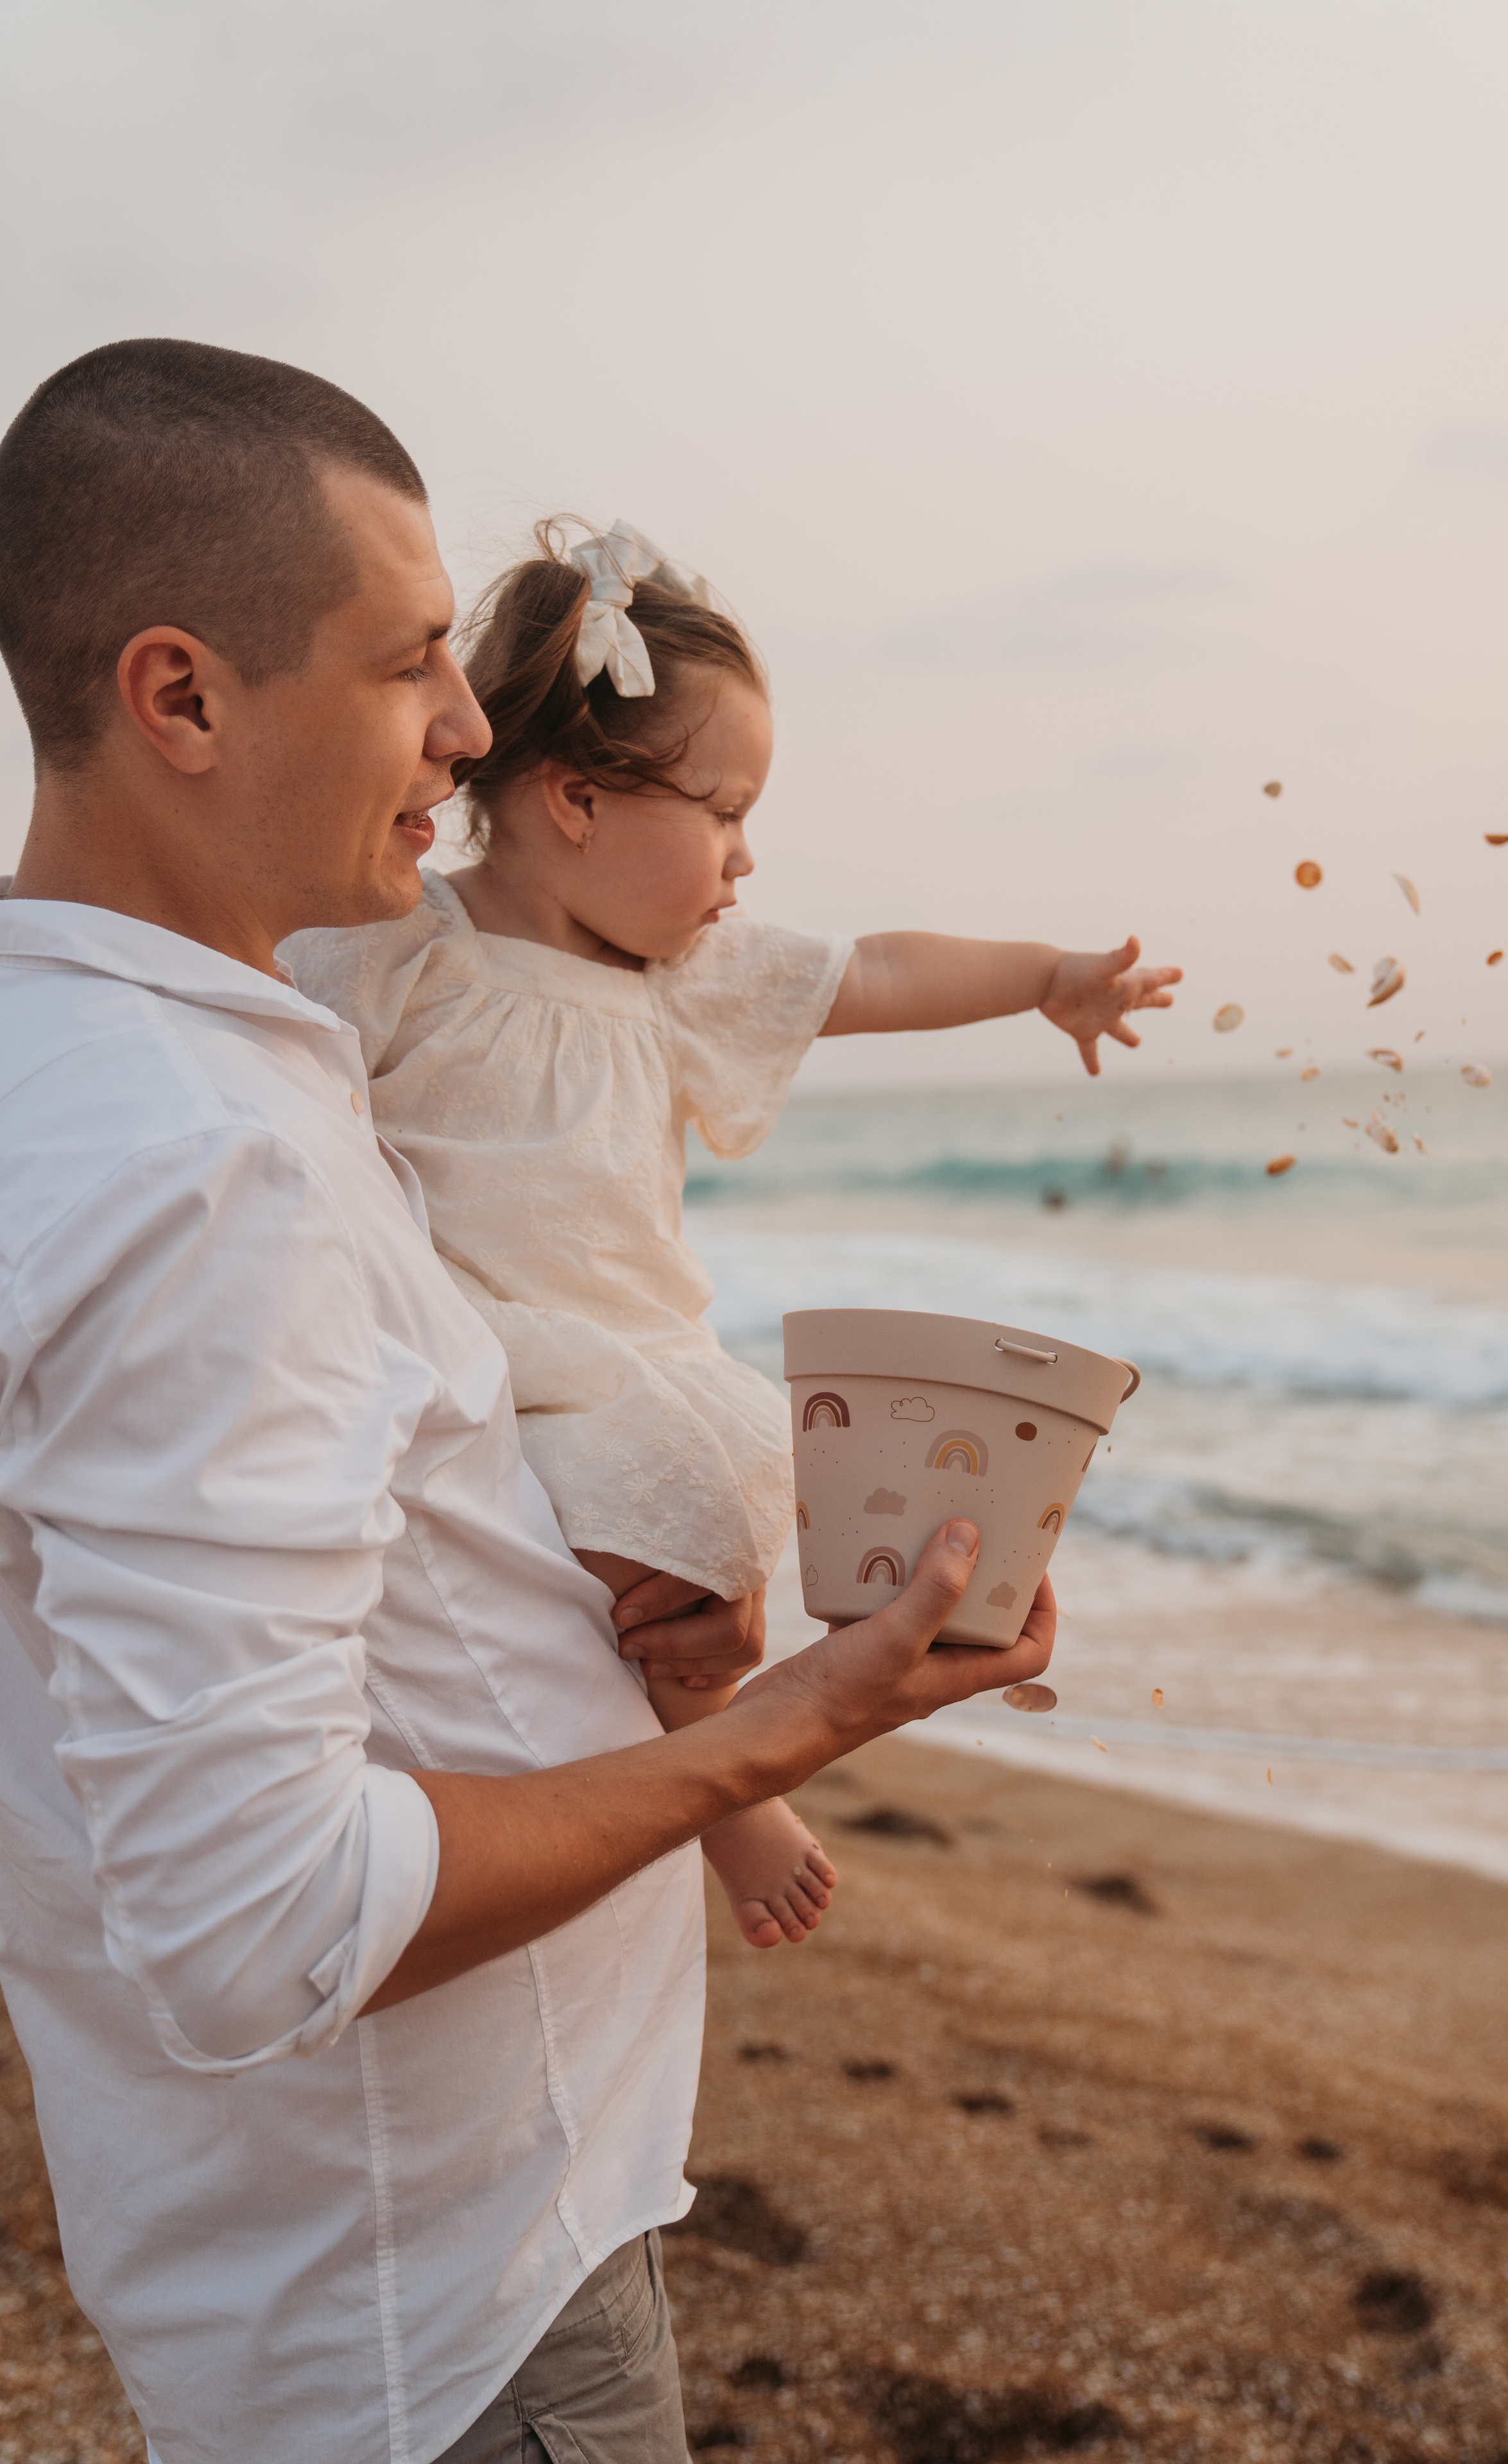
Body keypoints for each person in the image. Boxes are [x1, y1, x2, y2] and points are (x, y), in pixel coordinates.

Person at [0, 339, 1055, 2464]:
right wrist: (775, 1735)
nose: (477, 727)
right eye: (412, 669)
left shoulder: (114, 1070)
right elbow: (262, 1928)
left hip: (317, 2247)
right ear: (183, 698)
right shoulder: (205, 1154)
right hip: (441, 2298)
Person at [285, 520, 1180, 1949]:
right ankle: (730, 1794)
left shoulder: (685, 976)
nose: (745, 861)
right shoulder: (408, 949)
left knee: (723, 1499)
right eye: (723, 813)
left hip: (635, 1348)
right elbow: (250, 1025)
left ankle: (778, 1716)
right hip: (482, 1341)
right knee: (649, 1523)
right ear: (573, 800)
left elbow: (874, 970)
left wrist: (1045, 978)